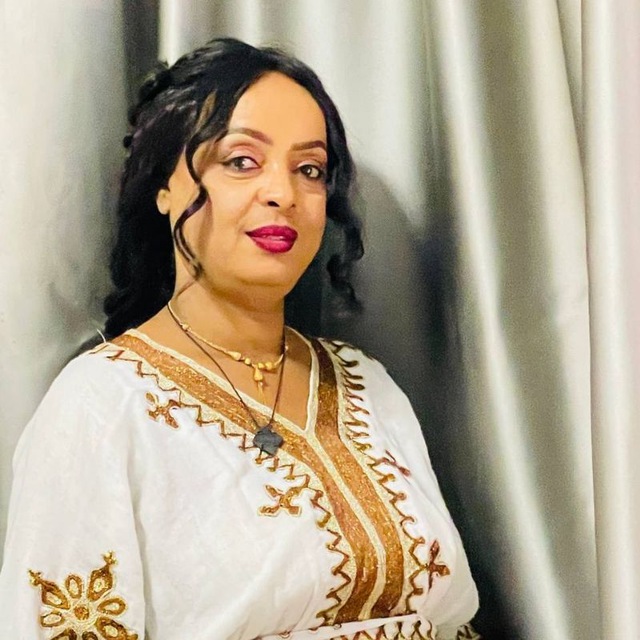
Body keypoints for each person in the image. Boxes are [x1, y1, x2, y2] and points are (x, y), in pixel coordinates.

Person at [0, 38, 479, 639]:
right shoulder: (101, 408)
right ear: (164, 185)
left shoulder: (365, 386)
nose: (283, 193)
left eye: (309, 169)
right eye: (241, 161)